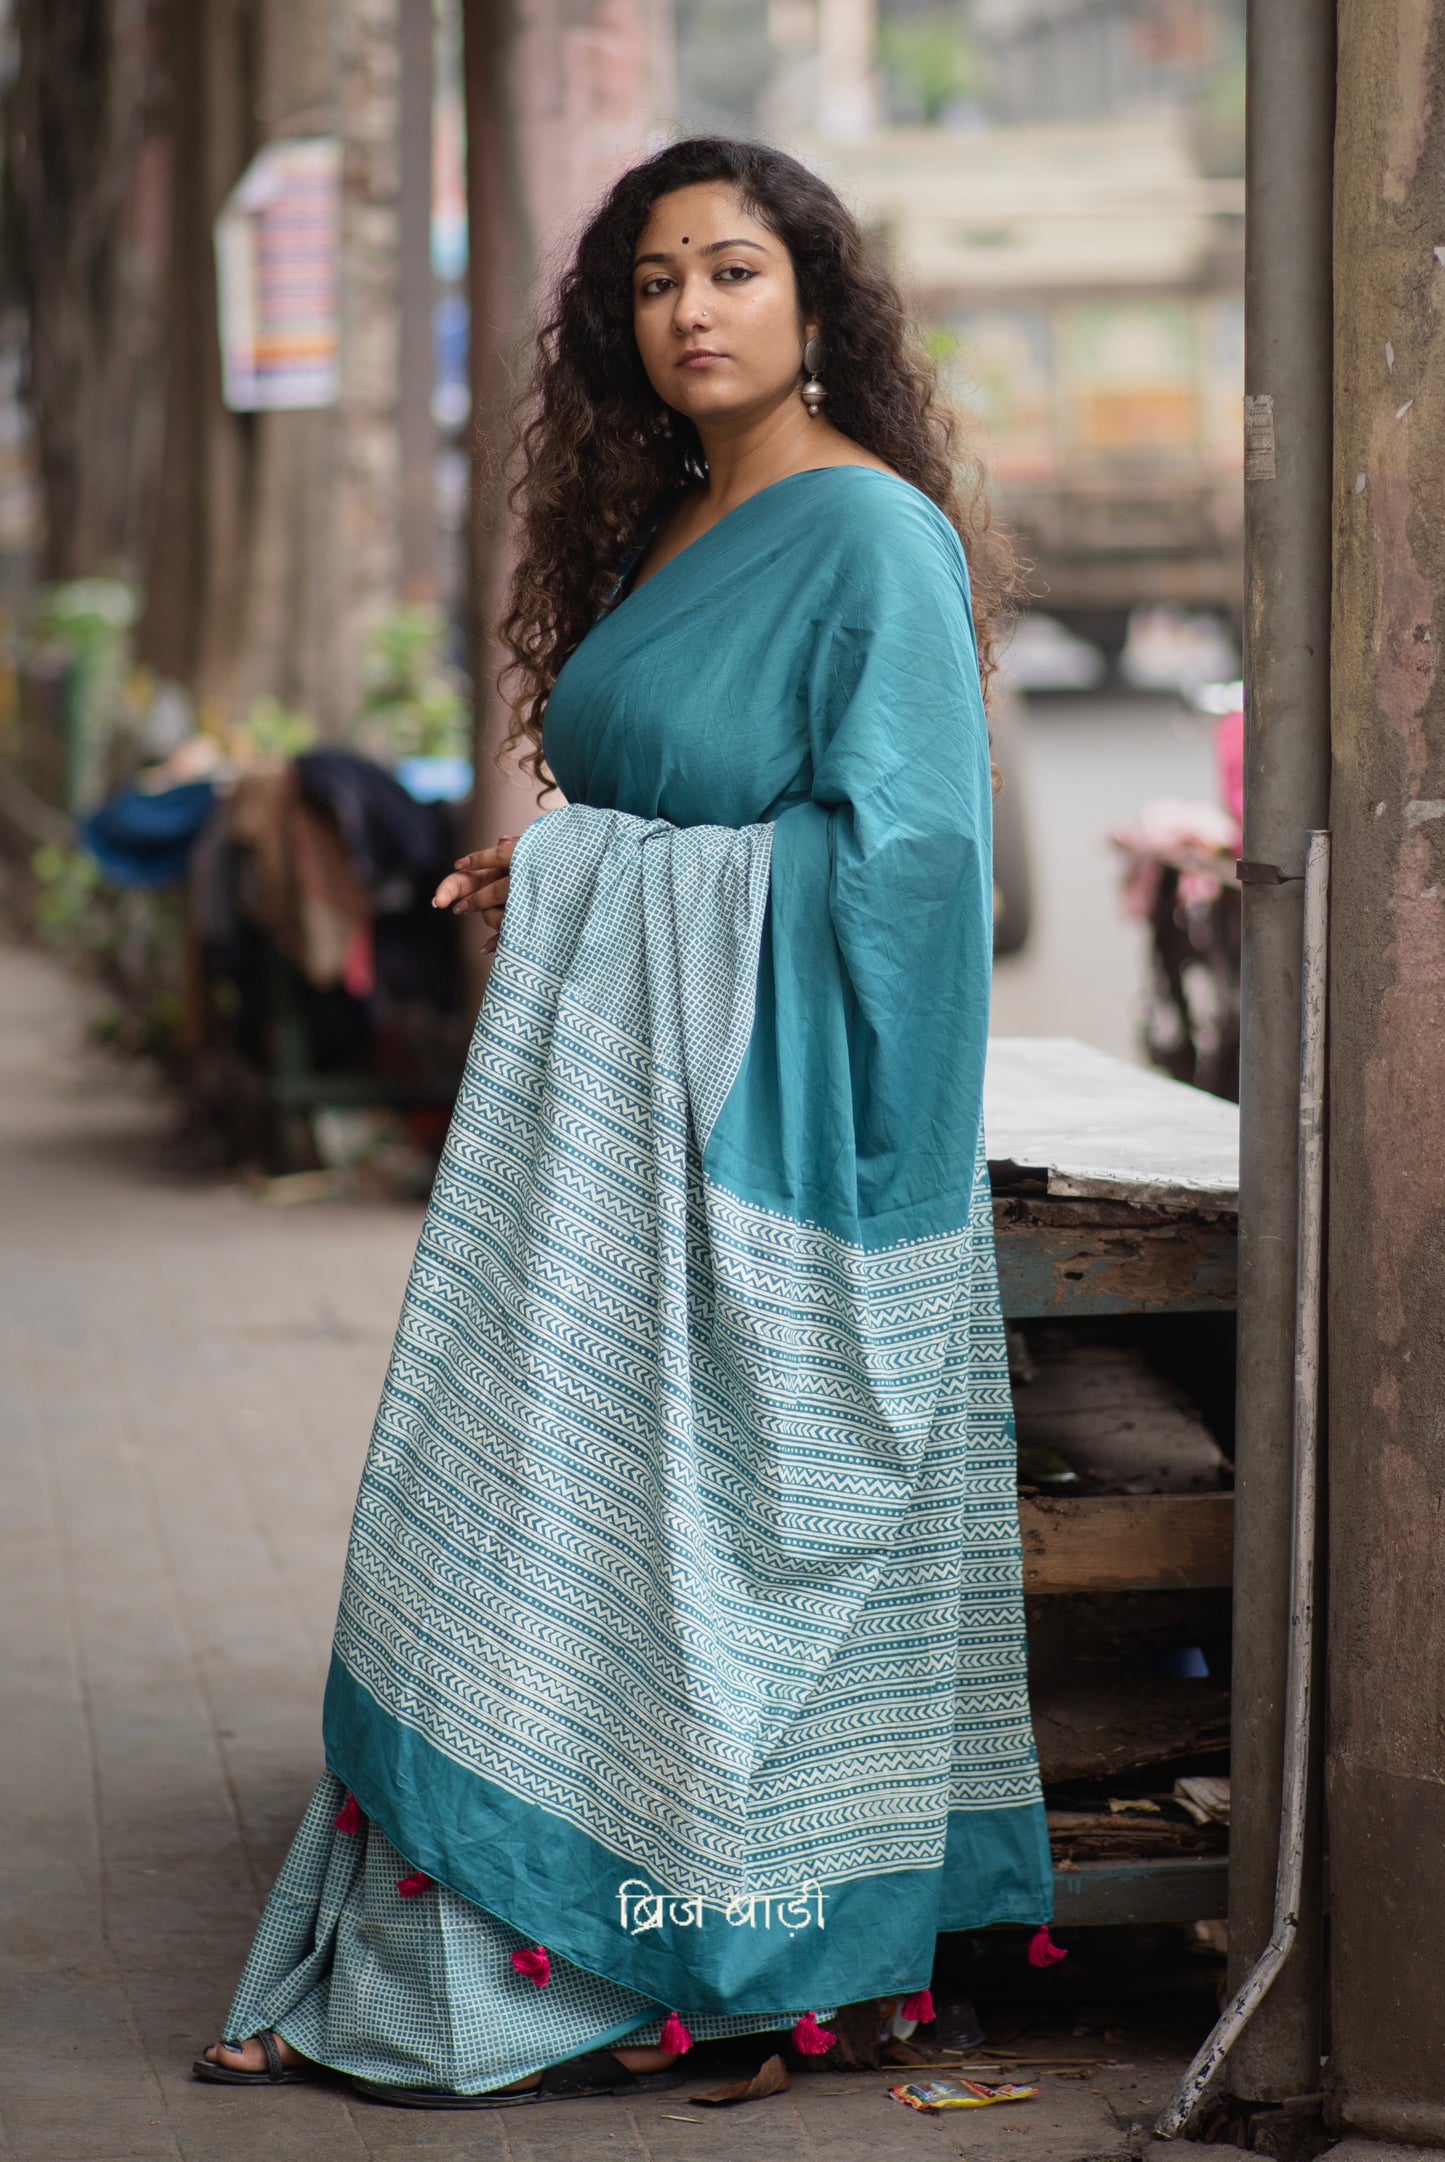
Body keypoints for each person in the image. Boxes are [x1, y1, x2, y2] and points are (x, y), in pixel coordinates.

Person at [196, 134, 1053, 2109]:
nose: (693, 313)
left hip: (759, 1144)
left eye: (735, 271)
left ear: (817, 300)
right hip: (606, 1138)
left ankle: (676, 1939)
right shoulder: (667, 522)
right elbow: (684, 795)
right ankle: (472, 1924)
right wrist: (566, 867)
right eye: (657, 283)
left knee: (660, 1539)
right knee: (512, 1523)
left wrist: (637, 895)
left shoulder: (874, 538)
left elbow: (912, 861)